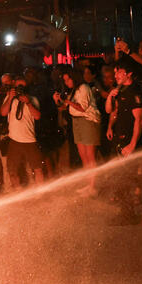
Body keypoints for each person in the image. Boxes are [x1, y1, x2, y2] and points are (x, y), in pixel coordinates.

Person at [106, 59, 142, 222]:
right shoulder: (120, 90)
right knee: (121, 175)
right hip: (120, 138)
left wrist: (132, 144)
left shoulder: (134, 91)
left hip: (129, 139)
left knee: (126, 177)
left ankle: (128, 214)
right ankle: (125, 211)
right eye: (115, 72)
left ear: (129, 74)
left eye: (119, 72)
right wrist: (110, 96)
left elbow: (140, 119)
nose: (116, 75)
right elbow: (110, 110)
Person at [55, 68, 102, 196]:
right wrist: (58, 101)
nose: (66, 83)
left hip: (87, 121)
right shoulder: (74, 90)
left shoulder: (84, 87)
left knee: (90, 156)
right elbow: (64, 108)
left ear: (73, 77)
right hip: (77, 123)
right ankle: (89, 185)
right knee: (83, 156)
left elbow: (82, 107)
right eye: (64, 80)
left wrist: (67, 101)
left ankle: (93, 187)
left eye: (67, 79)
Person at [0, 76, 44, 188]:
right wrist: (10, 98)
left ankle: (41, 193)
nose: (20, 88)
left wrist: (28, 103)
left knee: (37, 168)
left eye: (22, 86)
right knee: (12, 170)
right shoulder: (10, 98)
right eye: (18, 86)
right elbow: (3, 113)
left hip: (30, 140)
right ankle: (18, 192)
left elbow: (38, 116)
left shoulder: (32, 99)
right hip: (14, 140)